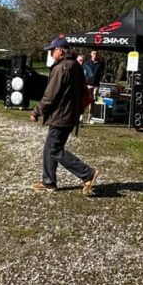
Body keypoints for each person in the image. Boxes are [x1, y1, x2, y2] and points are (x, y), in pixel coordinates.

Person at [31, 36, 98, 195]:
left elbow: (50, 95)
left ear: (60, 51)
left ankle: (87, 173)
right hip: (70, 114)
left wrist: (37, 111)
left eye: (52, 50)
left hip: (62, 114)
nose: (51, 54)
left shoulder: (61, 68)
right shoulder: (75, 65)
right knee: (50, 147)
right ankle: (49, 181)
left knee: (55, 149)